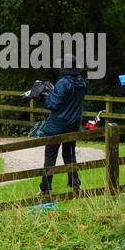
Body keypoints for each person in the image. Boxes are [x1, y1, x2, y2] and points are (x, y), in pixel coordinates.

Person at [31, 53, 87, 196]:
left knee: (50, 156)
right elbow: (66, 100)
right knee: (69, 155)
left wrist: (40, 96)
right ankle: (75, 186)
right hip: (73, 124)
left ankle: (45, 189)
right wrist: (52, 91)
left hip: (57, 126)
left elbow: (53, 104)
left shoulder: (63, 82)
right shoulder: (82, 82)